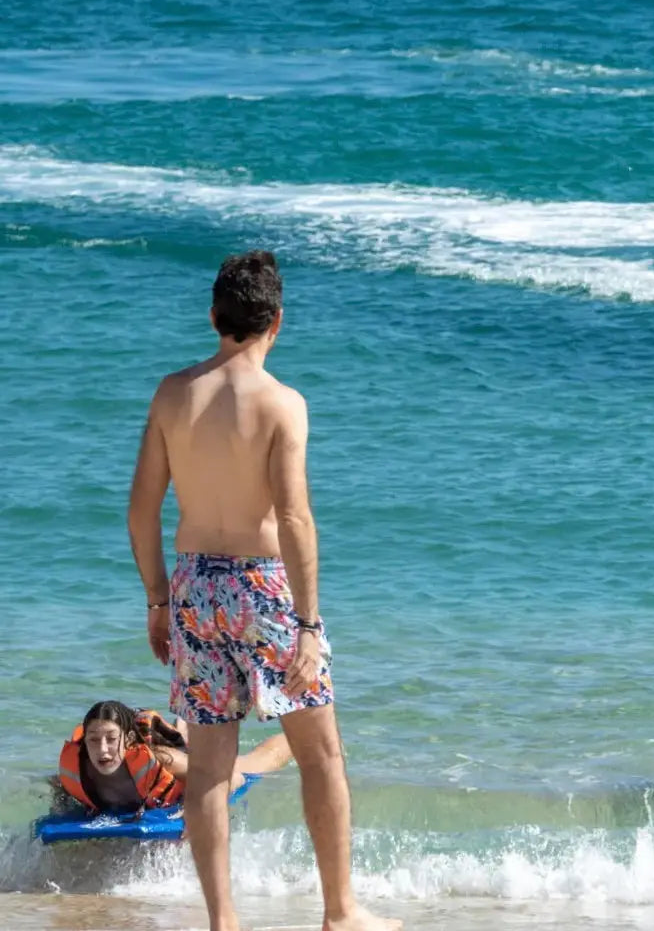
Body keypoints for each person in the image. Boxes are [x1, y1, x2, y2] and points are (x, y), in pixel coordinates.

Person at [127, 250, 400, 931]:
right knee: (321, 754)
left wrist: (159, 600)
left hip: (195, 586)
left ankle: (224, 921)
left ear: (214, 316)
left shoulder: (171, 394)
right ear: (276, 321)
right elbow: (296, 518)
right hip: (264, 591)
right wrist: (307, 625)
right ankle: (339, 913)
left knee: (210, 765)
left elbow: (140, 509)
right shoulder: (283, 404)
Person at [57, 699, 292, 815]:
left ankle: (296, 737)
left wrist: (195, 809)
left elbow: (232, 778)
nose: (103, 749)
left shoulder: (160, 759)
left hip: (187, 767)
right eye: (94, 740)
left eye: (111, 738)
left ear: (128, 740)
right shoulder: (78, 767)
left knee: (259, 762)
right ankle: (185, 727)